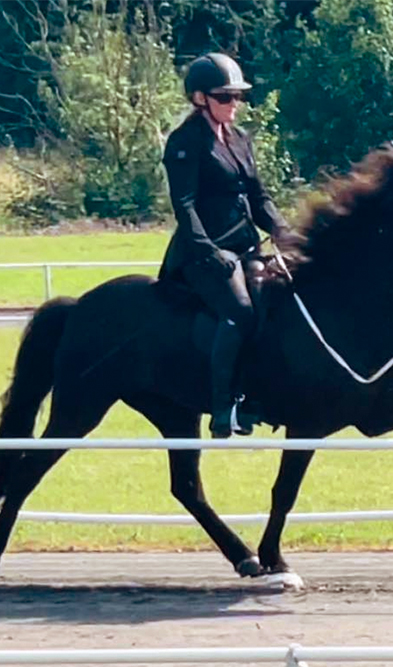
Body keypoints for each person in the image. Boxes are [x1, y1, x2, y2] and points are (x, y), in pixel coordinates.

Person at [159, 52, 292, 439]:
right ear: (200, 99)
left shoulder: (240, 140)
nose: (234, 104)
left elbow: (258, 195)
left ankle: (260, 392)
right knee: (239, 312)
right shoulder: (185, 143)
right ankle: (223, 406)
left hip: (244, 245)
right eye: (224, 97)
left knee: (276, 302)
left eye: (237, 97)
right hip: (203, 253)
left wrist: (283, 230)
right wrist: (207, 250)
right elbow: (184, 205)